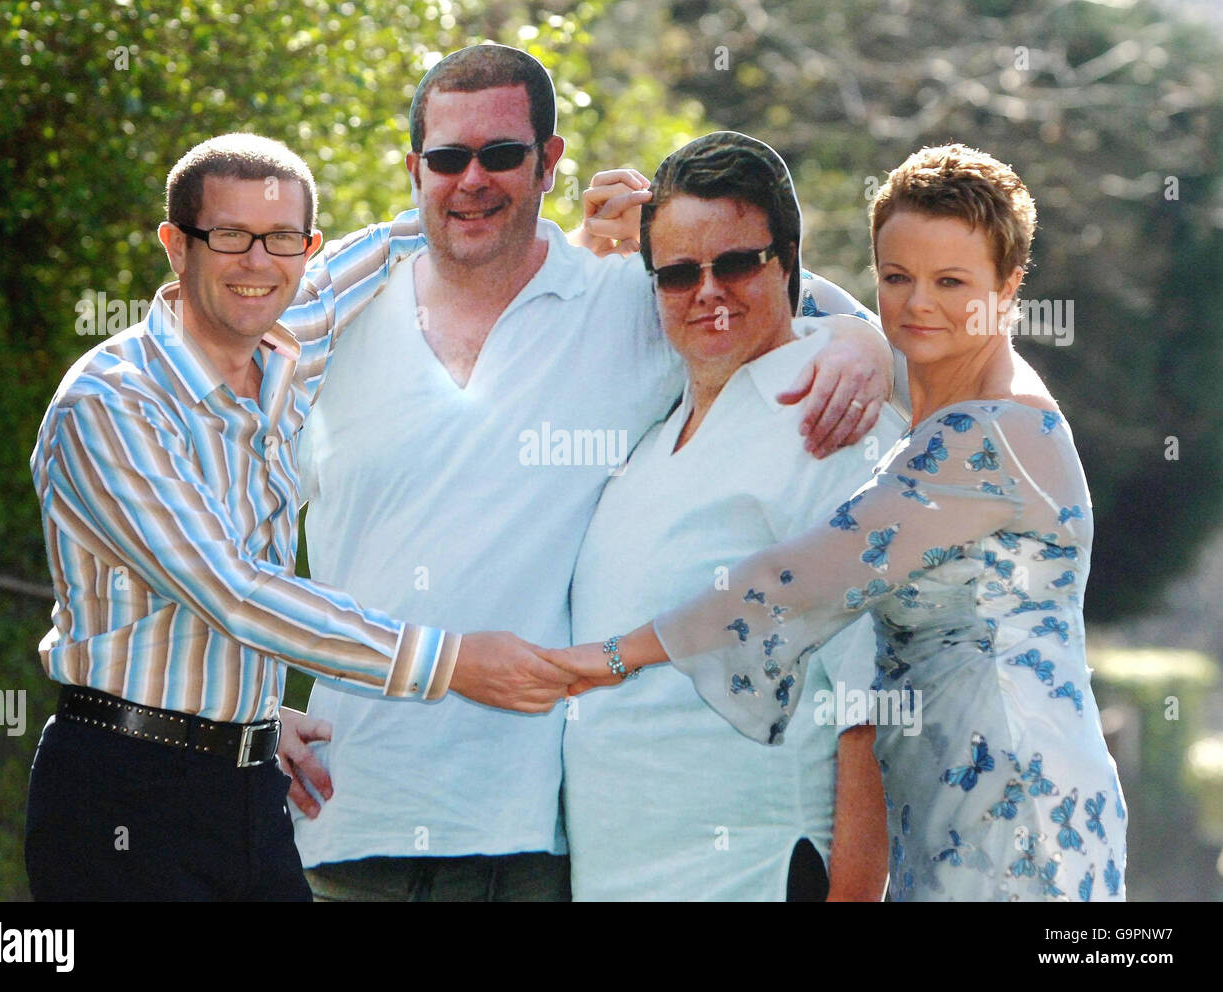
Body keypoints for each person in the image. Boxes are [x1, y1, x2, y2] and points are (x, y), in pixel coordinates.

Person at [286, 44, 895, 902]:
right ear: (412, 164)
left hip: (542, 841)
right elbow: (210, 518)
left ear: (549, 161)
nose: (473, 180)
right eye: (448, 158)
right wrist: (243, 713)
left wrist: (868, 345)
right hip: (350, 818)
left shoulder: (623, 302)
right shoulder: (328, 322)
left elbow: (752, 290)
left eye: (501, 155)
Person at [548, 143, 1128, 902]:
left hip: (1020, 813)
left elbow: (795, 585)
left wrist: (600, 660)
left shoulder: (986, 433)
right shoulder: (910, 372)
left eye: (951, 281)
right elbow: (788, 299)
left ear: (1010, 286)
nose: (918, 304)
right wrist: (647, 238)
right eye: (896, 279)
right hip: (938, 802)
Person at [25, 132, 579, 901]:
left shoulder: (290, 344)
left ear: (307, 246)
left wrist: (594, 240)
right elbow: (234, 591)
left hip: (252, 790)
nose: (258, 262)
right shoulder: (111, 404)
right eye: (229, 236)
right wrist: (454, 664)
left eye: (282, 239)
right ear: (174, 247)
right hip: (124, 792)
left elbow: (409, 230)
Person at [562, 132, 898, 901]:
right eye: (678, 273)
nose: (707, 292)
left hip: (757, 876)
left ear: (788, 262)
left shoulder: (834, 423)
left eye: (737, 263)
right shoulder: (648, 441)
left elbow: (875, 710)